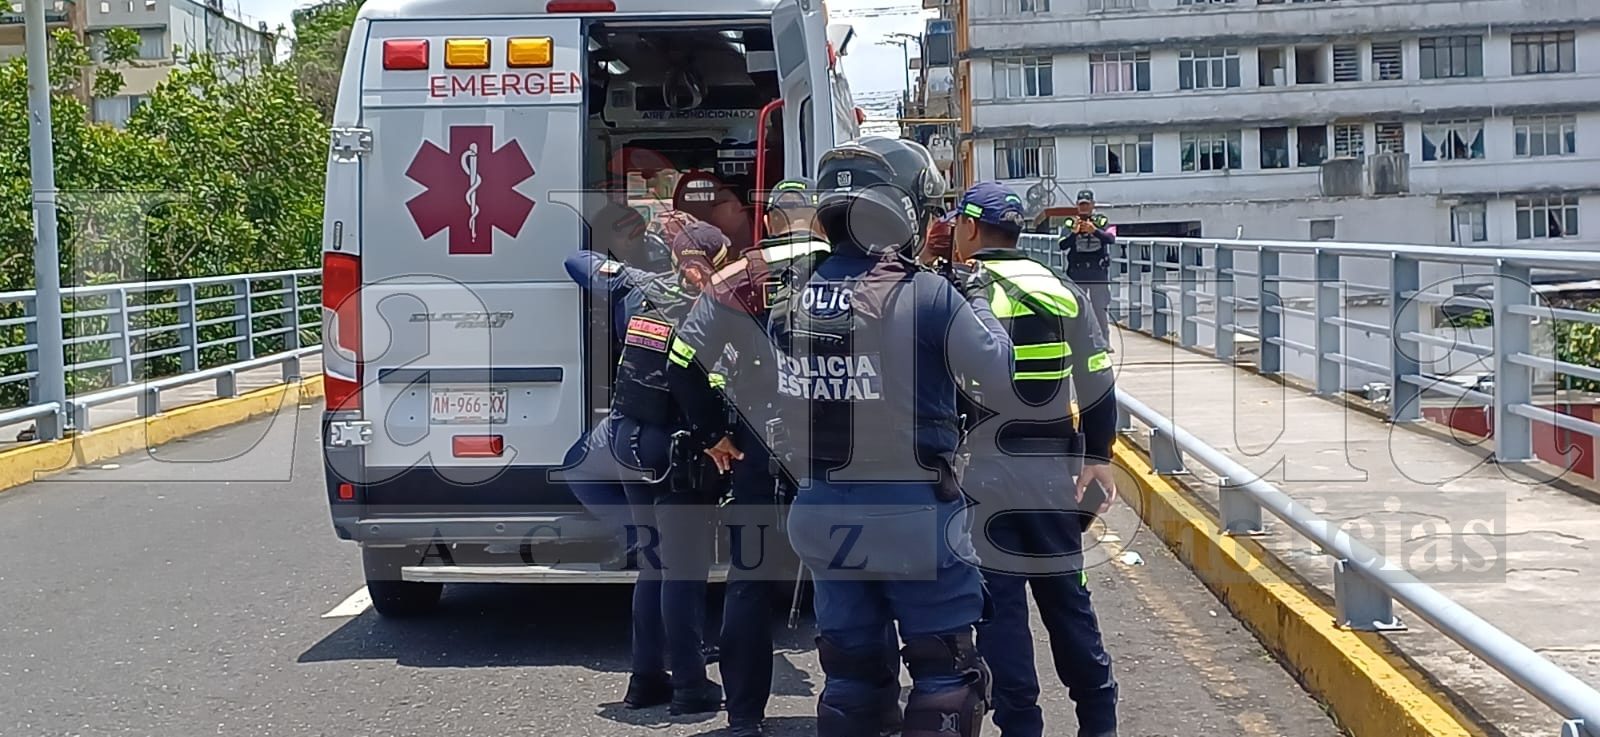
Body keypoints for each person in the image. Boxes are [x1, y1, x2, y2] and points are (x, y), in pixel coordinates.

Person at [720, 135, 1014, 737]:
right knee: (945, 677)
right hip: (913, 512)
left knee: (850, 676)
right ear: (907, 210)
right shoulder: (929, 294)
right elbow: (997, 372)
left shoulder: (792, 298)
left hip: (822, 508)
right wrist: (975, 296)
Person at [666, 177, 900, 737]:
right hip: (846, 451)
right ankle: (875, 705)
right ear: (817, 220)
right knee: (858, 576)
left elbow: (682, 360)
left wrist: (712, 434)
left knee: (749, 580)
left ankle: (745, 718)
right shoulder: (856, 273)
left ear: (768, 220)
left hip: (759, 447)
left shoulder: (736, 277)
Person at [947, 181, 1120, 737]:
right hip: (1052, 469)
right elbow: (1097, 376)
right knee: (1068, 599)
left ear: (971, 228)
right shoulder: (1059, 286)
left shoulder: (958, 291)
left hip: (984, 470)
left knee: (1000, 611)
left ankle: (1020, 724)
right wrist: (1099, 454)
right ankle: (1099, 721)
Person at [597, 218, 734, 715]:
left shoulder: (647, 300)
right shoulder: (704, 308)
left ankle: (645, 679)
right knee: (684, 571)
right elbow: (699, 382)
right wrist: (717, 437)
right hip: (676, 451)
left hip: (631, 441)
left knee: (653, 568)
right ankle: (690, 687)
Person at [1058, 189, 1116, 349]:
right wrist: (1074, 234)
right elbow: (1062, 245)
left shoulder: (1102, 220)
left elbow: (1111, 239)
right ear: (1077, 205)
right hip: (1077, 271)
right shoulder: (1070, 223)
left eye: (1087, 204)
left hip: (1097, 271)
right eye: (1081, 204)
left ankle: (1104, 341)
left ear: (1092, 205)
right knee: (1077, 307)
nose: (1084, 207)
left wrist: (1094, 231)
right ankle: (1077, 341)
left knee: (1099, 307)